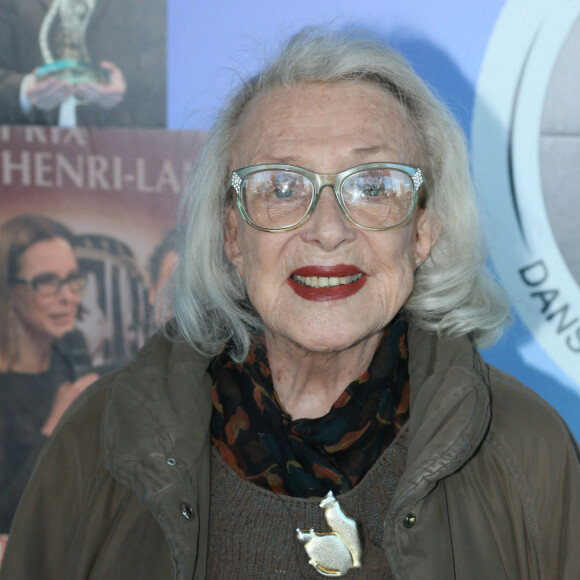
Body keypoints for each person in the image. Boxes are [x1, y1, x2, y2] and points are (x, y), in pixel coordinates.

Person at [2, 28, 580, 579]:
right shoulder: (99, 437)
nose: (328, 230)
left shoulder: (528, 450)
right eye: (281, 187)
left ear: (423, 230)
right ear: (232, 234)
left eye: (373, 186)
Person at [0, 215, 98, 534]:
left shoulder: (70, 356)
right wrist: (56, 426)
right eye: (46, 281)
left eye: (72, 279)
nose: (67, 296)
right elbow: (7, 516)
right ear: (9, 291)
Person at [0, 0, 166, 127]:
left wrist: (127, 80)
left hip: (126, 143)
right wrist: (23, 90)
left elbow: (171, 54)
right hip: (26, 147)